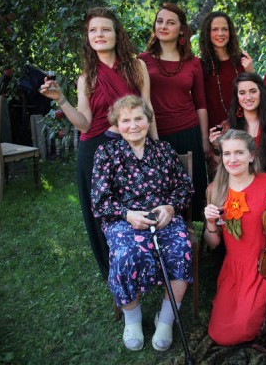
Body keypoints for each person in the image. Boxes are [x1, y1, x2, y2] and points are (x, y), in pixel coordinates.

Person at [39, 7, 157, 279]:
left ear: (117, 34)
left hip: (131, 146)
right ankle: (112, 269)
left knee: (136, 204)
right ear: (88, 38)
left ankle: (145, 263)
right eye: (93, 30)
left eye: (105, 29)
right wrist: (61, 99)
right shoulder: (86, 77)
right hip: (94, 149)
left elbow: (148, 108)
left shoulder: (137, 67)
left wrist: (156, 147)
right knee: (102, 212)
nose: (99, 34)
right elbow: (84, 124)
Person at [91, 95, 194, 352]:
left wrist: (170, 207)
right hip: (124, 220)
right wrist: (127, 214)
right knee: (126, 253)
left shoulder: (164, 150)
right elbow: (99, 201)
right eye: (126, 120)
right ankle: (133, 320)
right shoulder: (106, 153)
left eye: (139, 118)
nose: (133, 125)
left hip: (163, 218)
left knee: (180, 248)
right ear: (117, 125)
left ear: (148, 121)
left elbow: (184, 187)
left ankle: (166, 320)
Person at [204, 129, 266, 346]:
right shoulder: (215, 190)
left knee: (244, 327)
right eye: (227, 153)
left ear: (251, 155)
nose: (232, 159)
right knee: (220, 332)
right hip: (232, 269)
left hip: (263, 266)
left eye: (239, 153)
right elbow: (213, 243)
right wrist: (211, 222)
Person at [139, 2, 208, 220]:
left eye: (170, 23)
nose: (164, 26)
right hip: (156, 134)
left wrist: (204, 141)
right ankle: (162, 228)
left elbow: (201, 103)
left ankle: (188, 230)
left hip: (188, 132)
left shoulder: (193, 63)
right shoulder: (142, 60)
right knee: (160, 189)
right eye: (160, 21)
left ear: (181, 29)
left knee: (189, 190)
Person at [208, 72, 266, 174]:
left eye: (253, 91)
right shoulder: (227, 127)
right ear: (237, 97)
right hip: (236, 181)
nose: (248, 97)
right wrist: (216, 147)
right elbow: (217, 168)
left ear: (261, 93)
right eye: (242, 93)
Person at [199, 11, 254, 129]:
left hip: (246, 127)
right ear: (207, 33)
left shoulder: (243, 60)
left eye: (225, 29)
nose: (220, 33)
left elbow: (257, 93)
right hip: (217, 130)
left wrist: (250, 72)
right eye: (215, 29)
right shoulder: (200, 65)